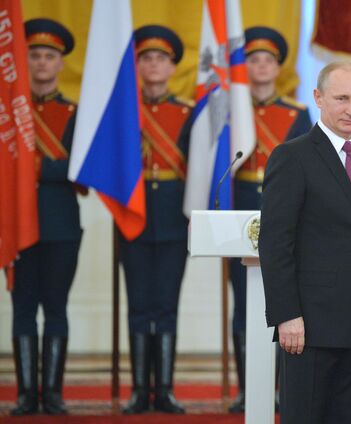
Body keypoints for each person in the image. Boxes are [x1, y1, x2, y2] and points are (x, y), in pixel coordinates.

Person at [258, 61, 351, 423]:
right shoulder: (292, 156)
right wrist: (286, 314)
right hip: (310, 326)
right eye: (341, 98)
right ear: (318, 98)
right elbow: (276, 244)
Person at [228, 25, 312, 413]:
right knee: (241, 303)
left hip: (284, 211)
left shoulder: (295, 114)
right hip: (239, 208)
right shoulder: (229, 111)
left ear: (278, 68)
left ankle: (280, 388)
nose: (260, 66)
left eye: (267, 60)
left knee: (284, 301)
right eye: (253, 60)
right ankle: (247, 389)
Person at [120, 25, 193, 414]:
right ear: (137, 65)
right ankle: (137, 391)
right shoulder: (123, 115)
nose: (153, 64)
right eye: (146, 58)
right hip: (132, 216)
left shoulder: (185, 113)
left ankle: (163, 389)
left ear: (171, 67)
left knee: (165, 304)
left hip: (170, 217)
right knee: (137, 305)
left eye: (160, 59)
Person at [10, 18, 82, 416]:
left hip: (61, 226)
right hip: (16, 225)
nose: (41, 62)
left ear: (59, 63)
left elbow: (79, 170)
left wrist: (31, 167)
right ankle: (25, 395)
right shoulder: (8, 114)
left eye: (49, 56)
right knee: (22, 308)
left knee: (56, 307)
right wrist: (52, 166)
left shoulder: (75, 113)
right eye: (34, 55)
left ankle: (52, 393)